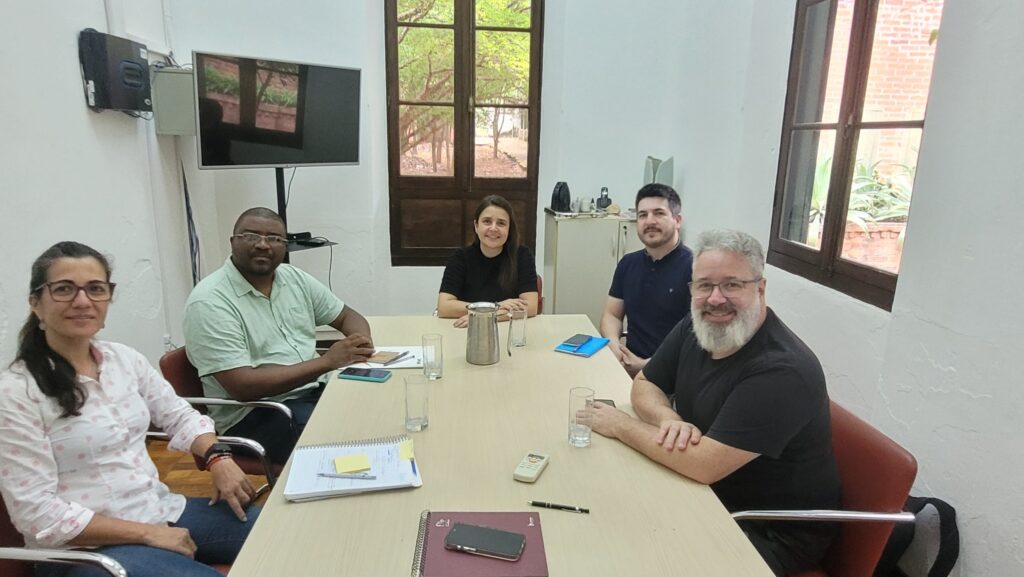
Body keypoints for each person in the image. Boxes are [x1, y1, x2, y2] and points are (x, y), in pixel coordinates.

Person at [587, 229, 840, 576]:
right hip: (705, 494)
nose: (715, 299)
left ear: (760, 288)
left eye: (732, 285)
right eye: (704, 285)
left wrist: (619, 424)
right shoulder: (699, 326)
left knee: (637, 560)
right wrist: (666, 419)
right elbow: (646, 382)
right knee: (603, 519)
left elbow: (705, 463)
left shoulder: (781, 371)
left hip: (764, 530)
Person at [0, 241, 259, 577]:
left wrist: (217, 457)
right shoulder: (16, 392)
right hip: (85, 551)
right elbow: (38, 514)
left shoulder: (124, 360)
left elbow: (179, 416)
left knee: (283, 533)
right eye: (64, 289)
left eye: (95, 289)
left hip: (158, 510)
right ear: (36, 303)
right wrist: (149, 535)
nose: (82, 301)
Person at [183, 207, 374, 464]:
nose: (263, 245)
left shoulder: (294, 279)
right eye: (251, 236)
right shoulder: (210, 301)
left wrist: (359, 344)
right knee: (353, 438)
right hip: (256, 414)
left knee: (382, 409)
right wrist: (327, 362)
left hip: (311, 393)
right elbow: (243, 386)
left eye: (274, 238)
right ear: (233, 241)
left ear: (285, 246)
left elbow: (347, 316)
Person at [600, 183, 693, 377]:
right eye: (643, 215)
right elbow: (612, 315)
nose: (649, 221)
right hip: (628, 367)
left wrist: (647, 366)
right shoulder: (628, 263)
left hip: (675, 376)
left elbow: (698, 342)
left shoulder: (695, 269)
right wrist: (614, 347)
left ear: (677, 220)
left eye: (659, 213)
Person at [437, 195, 539, 328]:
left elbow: (531, 307)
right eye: (487, 221)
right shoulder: (460, 258)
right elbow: (444, 307)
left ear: (509, 229)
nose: (493, 228)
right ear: (476, 226)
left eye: (501, 223)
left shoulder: (522, 255)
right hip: (466, 330)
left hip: (509, 330)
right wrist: (497, 306)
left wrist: (485, 316)